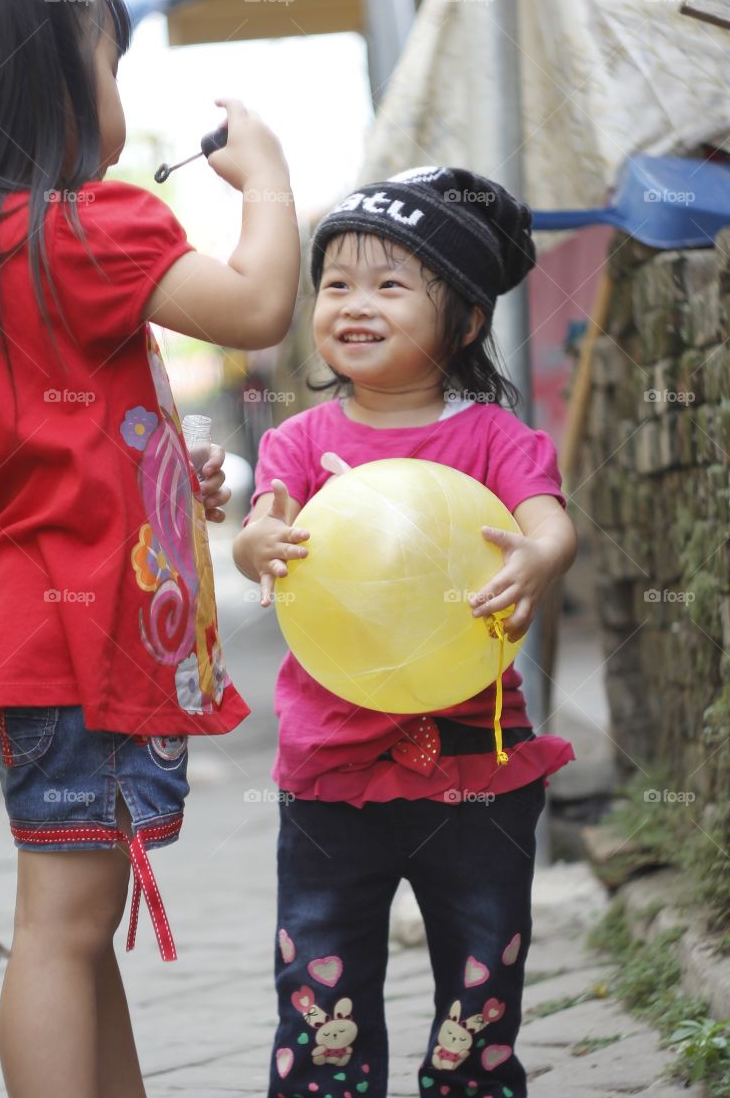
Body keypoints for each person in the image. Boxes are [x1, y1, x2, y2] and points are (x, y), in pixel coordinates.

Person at [0, 0, 299, 1098]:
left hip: (35, 638)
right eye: (109, 64)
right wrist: (266, 176)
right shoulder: (93, 226)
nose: (117, 92)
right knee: (65, 930)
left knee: (78, 924)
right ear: (46, 78)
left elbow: (63, 446)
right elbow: (262, 302)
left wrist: (171, 482)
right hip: (74, 646)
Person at [232, 165, 578, 1098]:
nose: (354, 304)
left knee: (483, 974)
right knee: (320, 976)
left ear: (463, 321)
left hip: (477, 763)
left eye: (390, 284)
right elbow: (261, 528)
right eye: (336, 284)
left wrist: (543, 556)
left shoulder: (497, 438)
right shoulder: (297, 443)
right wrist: (254, 544)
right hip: (331, 769)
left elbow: (549, 520)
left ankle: (469, 1083)